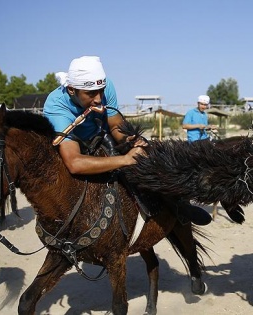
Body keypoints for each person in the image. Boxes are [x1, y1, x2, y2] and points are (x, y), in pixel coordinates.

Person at [43, 56, 210, 224]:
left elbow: (115, 126)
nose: (99, 98)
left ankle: (179, 204)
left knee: (149, 153)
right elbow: (75, 163)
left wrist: (129, 140)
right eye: (91, 94)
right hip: (76, 147)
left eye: (101, 90)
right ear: (72, 90)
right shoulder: (56, 107)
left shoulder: (104, 87)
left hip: (102, 135)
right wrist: (125, 159)